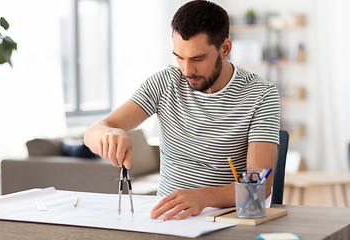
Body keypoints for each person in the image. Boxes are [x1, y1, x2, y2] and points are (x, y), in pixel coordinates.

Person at [84, 0, 280, 221]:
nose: (187, 70)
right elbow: (92, 132)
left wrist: (204, 197)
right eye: (179, 57)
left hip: (226, 220)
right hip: (167, 219)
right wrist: (111, 133)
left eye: (198, 58)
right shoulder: (165, 82)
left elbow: (260, 188)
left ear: (224, 49)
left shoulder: (261, 94)